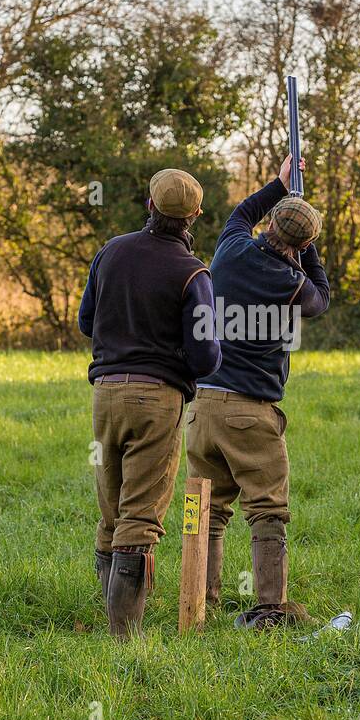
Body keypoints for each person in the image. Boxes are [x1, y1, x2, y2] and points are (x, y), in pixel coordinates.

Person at [185, 154, 329, 629]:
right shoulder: (290, 283)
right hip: (251, 412)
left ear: (268, 224)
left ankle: (199, 602)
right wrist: (305, 248)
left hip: (201, 405)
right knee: (268, 509)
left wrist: (280, 185)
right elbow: (320, 299)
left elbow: (241, 213)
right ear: (303, 244)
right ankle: (271, 607)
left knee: (206, 509)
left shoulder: (229, 249)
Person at [78, 169, 221, 637]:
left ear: (149, 205)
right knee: (140, 516)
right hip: (156, 401)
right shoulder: (192, 273)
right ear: (194, 216)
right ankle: (125, 638)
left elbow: (86, 322)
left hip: (104, 395)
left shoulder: (110, 252)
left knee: (112, 509)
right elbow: (204, 357)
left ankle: (113, 620)